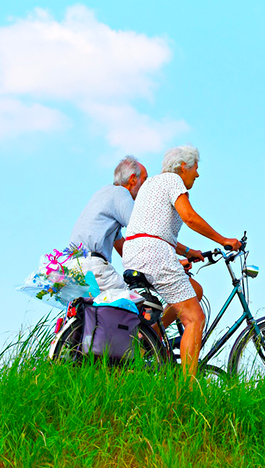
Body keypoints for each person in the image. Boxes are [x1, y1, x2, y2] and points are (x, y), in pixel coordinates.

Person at [122, 145, 241, 378]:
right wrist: (223, 240)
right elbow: (189, 217)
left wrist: (187, 252)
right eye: (196, 168)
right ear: (183, 166)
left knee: (194, 290)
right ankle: (186, 391)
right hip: (154, 253)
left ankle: (151, 337)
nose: (197, 174)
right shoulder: (173, 180)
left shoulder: (151, 184)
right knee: (194, 318)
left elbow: (152, 229)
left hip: (136, 252)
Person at [69, 156, 148, 291]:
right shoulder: (121, 193)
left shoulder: (104, 193)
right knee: (134, 304)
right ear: (133, 179)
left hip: (73, 266)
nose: (146, 186)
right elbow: (144, 231)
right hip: (92, 266)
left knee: (95, 310)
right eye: (145, 180)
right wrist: (173, 260)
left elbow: (121, 246)